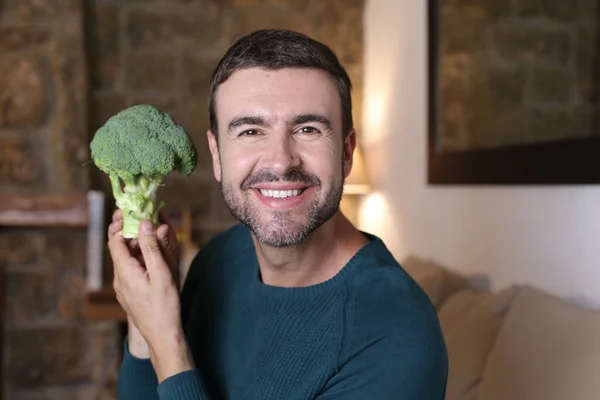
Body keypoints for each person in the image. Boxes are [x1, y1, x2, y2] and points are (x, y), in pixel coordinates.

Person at [109, 29, 448, 399]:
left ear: (347, 153)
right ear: (217, 155)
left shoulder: (397, 335)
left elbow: (170, 365)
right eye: (251, 131)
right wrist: (145, 315)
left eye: (307, 129)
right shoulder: (219, 259)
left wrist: (167, 341)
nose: (281, 161)